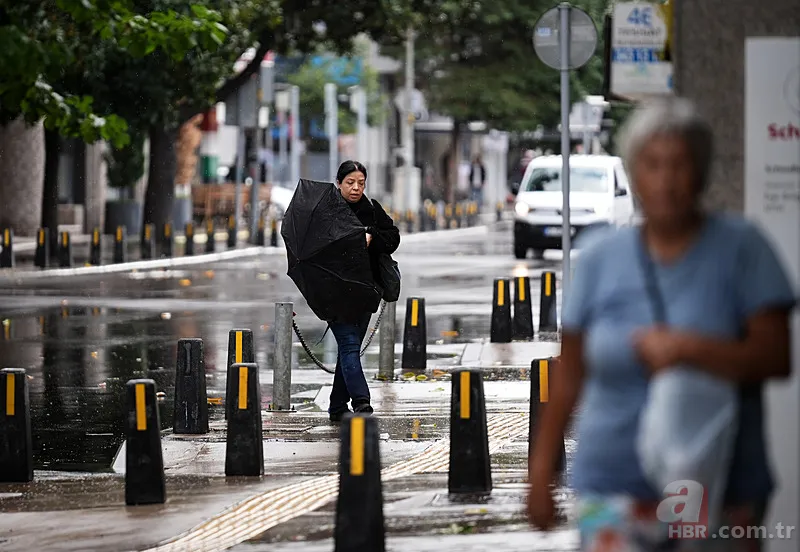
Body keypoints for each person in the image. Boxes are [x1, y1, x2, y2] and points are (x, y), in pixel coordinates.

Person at [527, 98, 795, 550]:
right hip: (612, 482)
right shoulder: (598, 256)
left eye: (680, 165)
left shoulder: (742, 248)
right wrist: (540, 475)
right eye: (652, 165)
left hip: (719, 484)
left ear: (702, 172)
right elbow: (570, 372)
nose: (667, 181)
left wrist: (690, 349)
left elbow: (776, 357)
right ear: (634, 174)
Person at [327, 160, 400, 422]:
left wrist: (373, 238)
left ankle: (337, 407)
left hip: (365, 292)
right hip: (334, 293)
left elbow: (392, 237)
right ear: (339, 183)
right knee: (348, 344)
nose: (356, 188)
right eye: (350, 183)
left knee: (350, 348)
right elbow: (323, 248)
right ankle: (361, 402)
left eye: (361, 183)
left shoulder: (371, 210)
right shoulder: (327, 212)